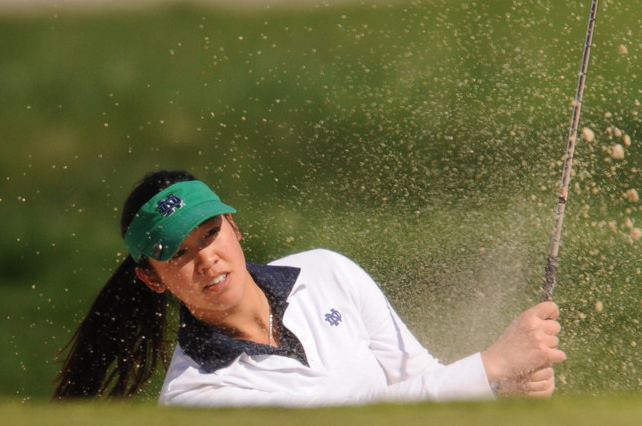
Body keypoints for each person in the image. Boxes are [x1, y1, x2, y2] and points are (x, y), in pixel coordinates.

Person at [53, 169, 565, 405]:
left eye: (210, 234)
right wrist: (490, 365)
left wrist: (500, 387)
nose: (206, 260)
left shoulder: (326, 272)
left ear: (234, 226)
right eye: (178, 254)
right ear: (151, 278)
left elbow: (421, 380)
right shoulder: (197, 395)